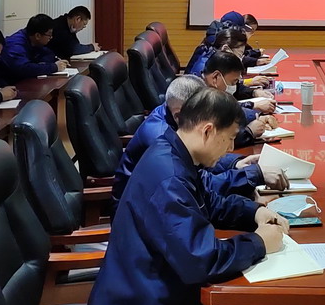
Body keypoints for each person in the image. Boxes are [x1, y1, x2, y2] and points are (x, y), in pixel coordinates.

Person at [88, 88, 288, 305]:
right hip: (141, 299)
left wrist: (254, 212)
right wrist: (259, 243)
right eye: (230, 138)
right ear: (208, 131)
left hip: (154, 284)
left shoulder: (172, 150)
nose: (231, 147)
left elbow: (207, 202)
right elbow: (201, 261)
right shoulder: (169, 179)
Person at [112, 75, 288, 215]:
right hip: (141, 215)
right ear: (180, 115)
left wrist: (235, 164)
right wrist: (251, 176)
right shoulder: (160, 138)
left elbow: (200, 183)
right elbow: (201, 184)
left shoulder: (174, 121)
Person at [201, 51, 277, 147]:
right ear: (216, 77)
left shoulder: (210, 89)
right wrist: (249, 132)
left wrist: (256, 117)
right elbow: (216, 138)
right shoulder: (199, 97)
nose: (234, 87)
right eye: (233, 83)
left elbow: (229, 111)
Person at [190, 28, 275, 100]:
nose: (241, 59)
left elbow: (234, 88)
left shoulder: (219, 59)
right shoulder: (206, 67)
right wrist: (252, 106)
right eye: (240, 54)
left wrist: (254, 92)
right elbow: (217, 105)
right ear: (226, 48)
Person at [0, 14, 68, 83]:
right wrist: (54, 67)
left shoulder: (34, 41)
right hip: (2, 82)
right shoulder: (16, 44)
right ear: (38, 36)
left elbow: (48, 54)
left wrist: (55, 61)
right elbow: (24, 69)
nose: (51, 38)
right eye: (49, 35)